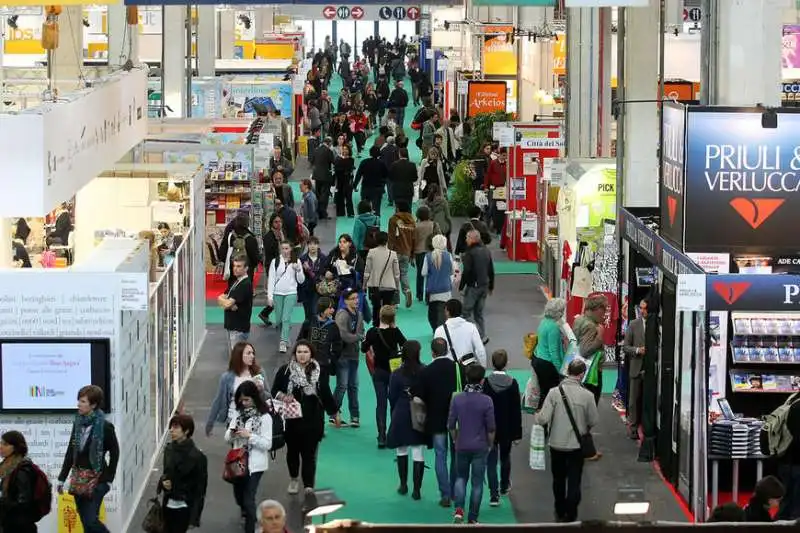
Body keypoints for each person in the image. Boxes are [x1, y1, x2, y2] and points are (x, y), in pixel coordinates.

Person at [534, 359, 599, 523]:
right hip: (576, 446)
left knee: (558, 479)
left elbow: (543, 419)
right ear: (582, 374)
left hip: (556, 444)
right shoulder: (588, 395)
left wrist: (537, 414)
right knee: (575, 479)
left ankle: (559, 509)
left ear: (567, 372)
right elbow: (593, 420)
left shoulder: (554, 393)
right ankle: (571, 513)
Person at [272, 341, 340, 495]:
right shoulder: (285, 371)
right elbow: (274, 390)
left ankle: (308, 484)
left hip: (313, 420)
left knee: (309, 455)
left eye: (305, 352)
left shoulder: (319, 372)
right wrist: (283, 396)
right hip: (291, 421)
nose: (302, 355)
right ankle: (294, 479)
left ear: (311, 354)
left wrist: (334, 412)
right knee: (293, 453)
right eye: (299, 352)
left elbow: (325, 393)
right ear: (294, 354)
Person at [58, 385, 120, 533]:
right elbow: (70, 452)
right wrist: (61, 478)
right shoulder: (78, 423)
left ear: (93, 404)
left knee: (91, 521)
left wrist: (109, 478)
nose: (78, 404)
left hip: (98, 480)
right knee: (86, 523)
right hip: (79, 480)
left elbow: (115, 452)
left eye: (83, 401)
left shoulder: (105, 426)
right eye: (79, 400)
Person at [416, 338, 462, 507]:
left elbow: (420, 398)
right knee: (456, 455)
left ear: (432, 352)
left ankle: (445, 495)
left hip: (436, 419)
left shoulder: (426, 372)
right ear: (448, 350)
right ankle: (456, 492)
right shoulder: (457, 368)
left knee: (440, 456)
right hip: (456, 418)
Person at [448, 364, 495, 524]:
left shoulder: (457, 399)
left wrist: (455, 439)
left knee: (461, 478)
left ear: (466, 378)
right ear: (482, 381)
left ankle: (459, 510)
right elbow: (491, 428)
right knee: (477, 483)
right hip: (480, 447)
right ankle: (473, 518)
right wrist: (489, 445)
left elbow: (451, 425)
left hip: (462, 445)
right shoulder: (487, 401)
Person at [225, 380, 273, 533]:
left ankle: (251, 528)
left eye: (247, 399)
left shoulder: (265, 418)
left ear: (254, 398)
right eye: (241, 400)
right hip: (237, 462)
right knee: (239, 496)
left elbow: (267, 444)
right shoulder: (238, 414)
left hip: (255, 465)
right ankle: (246, 512)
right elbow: (227, 438)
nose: (244, 403)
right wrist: (232, 433)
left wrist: (249, 436)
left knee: (248, 498)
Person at [388, 340, 429, 499]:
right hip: (419, 412)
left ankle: (403, 484)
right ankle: (417, 490)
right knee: (418, 452)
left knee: (401, 449)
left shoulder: (396, 373)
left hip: (401, 412)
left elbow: (391, 396)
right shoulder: (424, 371)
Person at [362, 305, 407, 448]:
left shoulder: (372, 332)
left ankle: (381, 435)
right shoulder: (396, 332)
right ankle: (394, 434)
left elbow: (364, 348)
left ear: (380, 316)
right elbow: (406, 346)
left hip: (379, 371)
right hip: (394, 371)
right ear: (393, 318)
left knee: (381, 404)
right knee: (395, 402)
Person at [483, 350, 523, 506]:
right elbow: (515, 411)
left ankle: (494, 495)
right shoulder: (512, 384)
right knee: (505, 458)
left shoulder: (486, 383)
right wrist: (517, 434)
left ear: (492, 363)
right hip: (507, 429)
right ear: (507, 363)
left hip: (490, 429)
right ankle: (504, 485)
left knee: (491, 461)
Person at [206, 342, 268, 436]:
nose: (252, 356)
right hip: (234, 420)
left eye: (253, 353)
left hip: (256, 419)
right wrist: (210, 423)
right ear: (239, 355)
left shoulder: (259, 373)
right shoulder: (227, 377)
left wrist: (261, 390)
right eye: (248, 353)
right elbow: (218, 400)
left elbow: (269, 396)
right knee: (237, 449)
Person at [159, 415, 208, 533]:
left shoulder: (198, 457)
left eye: (176, 427)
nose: (171, 430)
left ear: (186, 431)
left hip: (184, 507)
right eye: (171, 427)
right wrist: (163, 482)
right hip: (167, 504)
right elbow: (166, 474)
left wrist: (194, 518)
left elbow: (200, 490)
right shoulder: (169, 450)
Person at [268, 240, 306, 353]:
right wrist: (270, 296)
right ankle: (286, 335)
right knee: (279, 319)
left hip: (291, 293)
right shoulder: (275, 261)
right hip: (277, 293)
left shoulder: (296, 261)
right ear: (280, 249)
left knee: (286, 317)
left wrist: (298, 270)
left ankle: (283, 341)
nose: (285, 251)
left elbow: (301, 280)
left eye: (287, 248)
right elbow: (271, 279)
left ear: (291, 249)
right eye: (283, 248)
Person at [334, 288, 365, 427]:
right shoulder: (342, 315)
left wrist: (358, 336)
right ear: (346, 301)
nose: (356, 301)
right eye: (353, 298)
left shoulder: (359, 314)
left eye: (357, 298)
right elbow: (342, 335)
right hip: (342, 356)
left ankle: (355, 416)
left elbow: (361, 331)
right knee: (342, 386)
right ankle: (333, 412)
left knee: (353, 386)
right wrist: (358, 337)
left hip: (354, 355)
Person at [0, 431, 40, 532]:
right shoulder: (8, 468)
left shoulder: (22, 470)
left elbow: (23, 501)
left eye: (5, 444)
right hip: (10, 523)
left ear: (16, 447)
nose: (0, 446)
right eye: (1, 443)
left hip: (20, 526)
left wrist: (2, 504)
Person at [460, 229, 495, 345]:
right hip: (484, 285)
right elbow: (491, 269)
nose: (466, 240)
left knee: (466, 312)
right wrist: (491, 286)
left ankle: (479, 334)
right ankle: (482, 335)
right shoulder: (486, 250)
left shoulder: (469, 253)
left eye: (467, 237)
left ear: (472, 239)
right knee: (479, 313)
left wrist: (461, 286)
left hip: (473, 286)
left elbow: (467, 271)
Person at [573, 294, 608, 405]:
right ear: (597, 309)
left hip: (578, 369)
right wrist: (600, 337)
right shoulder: (591, 326)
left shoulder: (579, 320)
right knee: (590, 406)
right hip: (591, 372)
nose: (604, 314)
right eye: (604, 310)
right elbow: (585, 351)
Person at [533, 298, 567, 409]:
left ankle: (541, 418)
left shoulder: (544, 322)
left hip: (538, 359)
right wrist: (561, 371)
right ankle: (546, 419)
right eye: (562, 310)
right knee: (550, 394)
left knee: (543, 392)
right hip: (547, 365)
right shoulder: (554, 327)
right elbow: (554, 353)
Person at [623, 299, 649, 439]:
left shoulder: (656, 324)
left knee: (648, 400)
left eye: (645, 308)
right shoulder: (633, 324)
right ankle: (633, 428)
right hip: (636, 368)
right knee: (633, 401)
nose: (642, 311)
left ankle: (646, 427)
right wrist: (638, 350)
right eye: (641, 308)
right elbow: (626, 347)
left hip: (651, 369)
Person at [434, 299, 487, 367]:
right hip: (468, 368)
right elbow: (480, 351)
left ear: (447, 312)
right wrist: (482, 368)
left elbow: (436, 353)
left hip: (448, 369)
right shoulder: (471, 327)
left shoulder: (439, 330)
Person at [363, 231, 400, 326]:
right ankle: (386, 326)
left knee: (376, 308)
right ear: (387, 240)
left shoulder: (371, 252)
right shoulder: (393, 254)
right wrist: (397, 286)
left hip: (375, 285)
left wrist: (364, 285)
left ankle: (376, 327)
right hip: (389, 286)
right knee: (387, 308)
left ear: (376, 240)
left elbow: (367, 271)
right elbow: (397, 273)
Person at [219, 256, 254, 350]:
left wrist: (227, 303)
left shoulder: (244, 284)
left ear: (246, 268)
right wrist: (227, 303)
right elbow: (221, 298)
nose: (235, 268)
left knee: (237, 359)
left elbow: (226, 304)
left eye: (239, 266)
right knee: (234, 358)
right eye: (234, 266)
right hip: (233, 327)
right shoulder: (236, 282)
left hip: (239, 329)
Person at [219, 213, 261, 287]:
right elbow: (256, 258)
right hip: (247, 271)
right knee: (245, 294)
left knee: (232, 292)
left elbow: (222, 254)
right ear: (247, 223)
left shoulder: (230, 236)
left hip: (232, 271)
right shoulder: (251, 238)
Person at [388, 200, 416, 308]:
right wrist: (412, 254)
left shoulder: (393, 219)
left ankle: (395, 302)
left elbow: (391, 237)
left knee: (393, 276)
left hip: (395, 251)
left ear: (398, 208)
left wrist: (389, 251)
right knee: (403, 273)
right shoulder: (412, 221)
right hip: (407, 251)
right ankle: (407, 290)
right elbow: (414, 238)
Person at [423, 234, 454, 332]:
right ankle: (443, 331)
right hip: (446, 289)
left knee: (432, 313)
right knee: (444, 312)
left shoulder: (428, 256)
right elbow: (452, 271)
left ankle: (436, 331)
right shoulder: (448, 255)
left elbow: (423, 272)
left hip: (433, 289)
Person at [354, 146, 389, 217]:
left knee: (364, 208)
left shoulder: (364, 162)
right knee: (376, 209)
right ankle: (376, 225)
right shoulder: (381, 163)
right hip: (377, 189)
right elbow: (386, 175)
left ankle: (364, 224)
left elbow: (358, 175)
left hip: (365, 188)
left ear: (370, 153)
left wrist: (355, 185)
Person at [298, 236, 327, 321]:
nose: (312, 246)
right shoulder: (302, 259)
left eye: (315, 244)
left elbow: (322, 275)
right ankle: (307, 332)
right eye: (310, 244)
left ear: (318, 245)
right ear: (307, 246)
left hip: (318, 290)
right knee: (307, 315)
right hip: (306, 290)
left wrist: (309, 271)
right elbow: (300, 278)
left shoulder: (323, 259)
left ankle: (314, 332)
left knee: (314, 312)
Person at [413, 205, 438, 302]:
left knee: (420, 274)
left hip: (419, 252)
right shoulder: (434, 224)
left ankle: (419, 295)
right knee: (430, 274)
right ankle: (428, 296)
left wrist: (412, 253)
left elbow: (413, 240)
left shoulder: (416, 226)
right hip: (431, 251)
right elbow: (439, 236)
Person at [311, 137, 336, 219]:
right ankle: (323, 213)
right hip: (325, 176)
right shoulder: (329, 151)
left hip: (317, 176)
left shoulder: (316, 150)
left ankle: (318, 212)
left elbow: (312, 161)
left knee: (318, 194)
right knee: (324, 196)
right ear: (329, 143)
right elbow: (334, 162)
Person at [423, 185, 452, 251]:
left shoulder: (424, 202)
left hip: (429, 227)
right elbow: (448, 216)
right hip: (442, 227)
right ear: (438, 192)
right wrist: (450, 228)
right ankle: (449, 255)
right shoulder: (443, 201)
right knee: (446, 241)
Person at [334, 144, 356, 218]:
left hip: (348, 181)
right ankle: (340, 212)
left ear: (349, 150)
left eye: (346, 149)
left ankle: (350, 213)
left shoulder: (351, 159)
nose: (345, 150)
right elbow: (336, 169)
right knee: (340, 196)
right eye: (344, 149)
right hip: (340, 180)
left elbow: (349, 169)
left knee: (349, 197)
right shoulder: (338, 158)